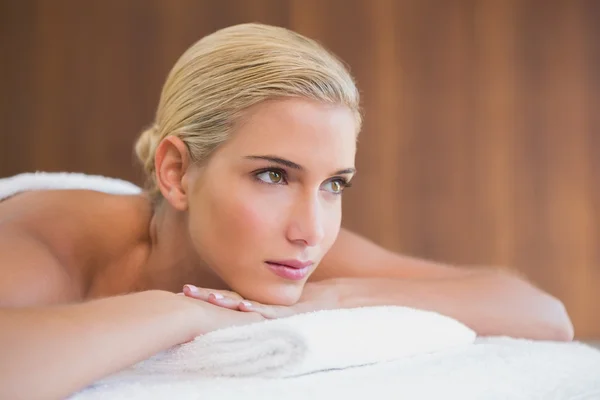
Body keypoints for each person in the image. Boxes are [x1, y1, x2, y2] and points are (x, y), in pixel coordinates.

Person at [0, 23, 573, 399]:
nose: (312, 231)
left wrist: (333, 299)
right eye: (273, 175)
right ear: (176, 172)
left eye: (334, 184)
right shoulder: (51, 236)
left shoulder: (299, 253)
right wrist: (181, 314)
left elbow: (542, 314)